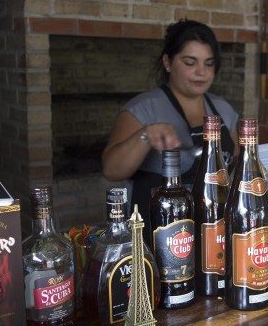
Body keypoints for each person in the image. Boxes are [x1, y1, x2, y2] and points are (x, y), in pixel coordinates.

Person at [101, 20, 239, 231]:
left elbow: (237, 162)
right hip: (157, 229)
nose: (201, 72)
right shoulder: (143, 109)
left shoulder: (224, 110)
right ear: (167, 62)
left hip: (212, 228)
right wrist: (146, 135)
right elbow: (111, 170)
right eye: (190, 62)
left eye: (208, 63)